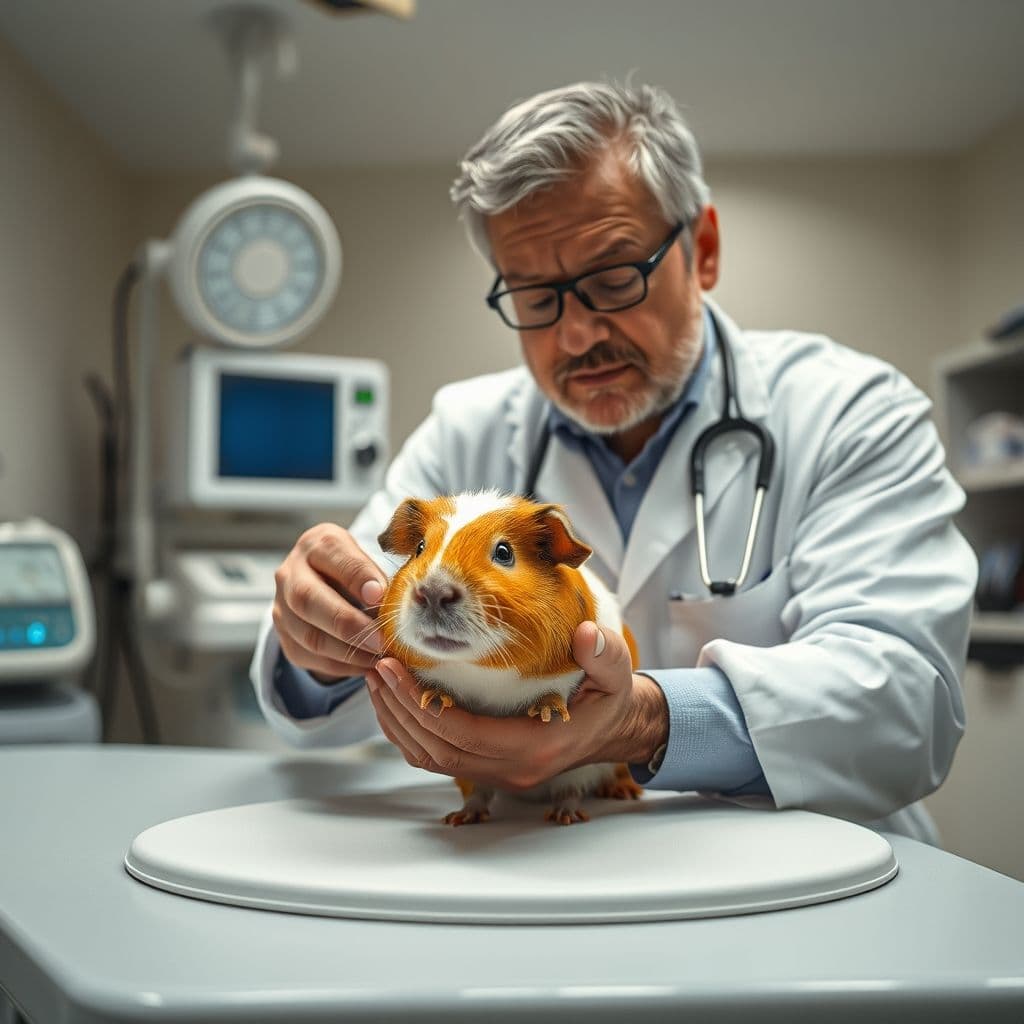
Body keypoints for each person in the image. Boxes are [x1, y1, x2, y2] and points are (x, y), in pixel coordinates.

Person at [250, 80, 976, 842]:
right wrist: (317, 642)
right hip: (538, 881)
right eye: (534, 295)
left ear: (703, 251)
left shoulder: (852, 412)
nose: (574, 335)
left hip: (812, 877)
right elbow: (328, 694)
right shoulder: (465, 430)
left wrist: (641, 722)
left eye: (610, 279)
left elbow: (905, 702)